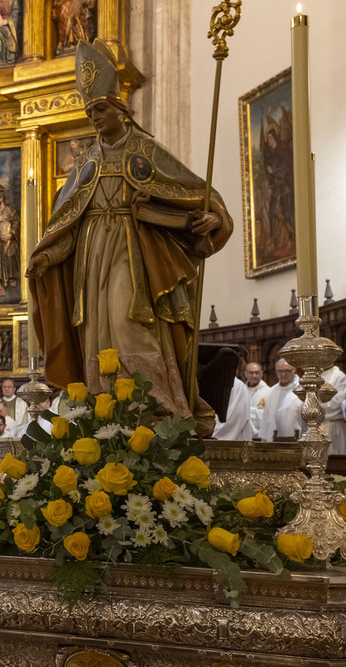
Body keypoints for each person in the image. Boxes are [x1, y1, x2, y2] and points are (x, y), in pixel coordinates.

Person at [27, 40, 233, 437]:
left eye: (101, 109)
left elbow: (195, 192)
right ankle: (103, 410)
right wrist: (48, 258)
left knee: (127, 320)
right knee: (95, 330)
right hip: (90, 258)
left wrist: (210, 216)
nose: (95, 118)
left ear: (120, 109)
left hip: (129, 251)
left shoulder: (146, 151)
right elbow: (70, 223)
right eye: (89, 111)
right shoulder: (85, 163)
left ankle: (152, 409)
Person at [259, 359, 305, 440]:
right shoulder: (271, 392)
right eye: (280, 371)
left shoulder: (303, 390)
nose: (283, 374)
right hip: (274, 441)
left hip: (297, 440)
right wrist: (264, 440)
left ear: (294, 371)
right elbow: (266, 419)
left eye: (287, 370)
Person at [321, 364, 346, 455]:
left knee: (334, 464)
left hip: (333, 427)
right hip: (316, 427)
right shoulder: (315, 375)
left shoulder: (340, 377)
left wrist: (314, 408)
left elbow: (337, 405)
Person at [244, 362, 271, 440]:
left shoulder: (268, 392)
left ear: (261, 374)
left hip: (260, 437)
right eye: (251, 373)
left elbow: (268, 415)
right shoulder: (241, 391)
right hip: (243, 436)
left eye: (257, 373)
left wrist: (247, 412)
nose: (254, 375)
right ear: (245, 374)